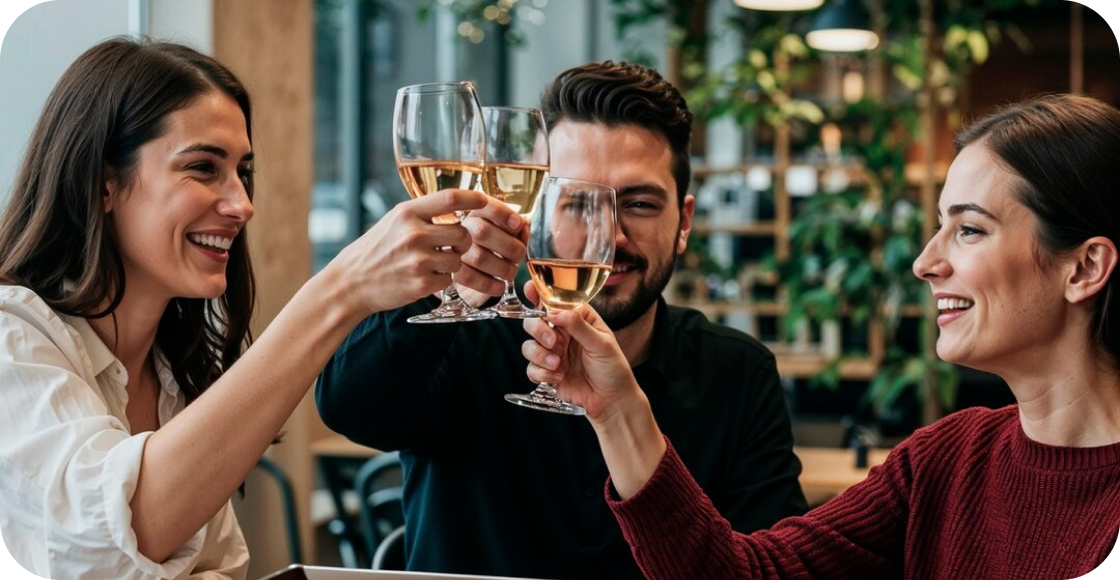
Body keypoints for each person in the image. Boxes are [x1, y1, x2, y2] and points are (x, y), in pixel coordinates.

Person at [522, 92, 1120, 579]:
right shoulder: (943, 461)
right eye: (940, 226)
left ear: (1085, 268)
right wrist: (616, 409)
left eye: (968, 230)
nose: (925, 262)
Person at [0, 37, 489, 579]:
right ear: (102, 184)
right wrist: (338, 293)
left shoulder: (171, 380)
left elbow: (223, 569)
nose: (242, 205)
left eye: (242, 172)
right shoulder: (13, 339)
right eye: (204, 168)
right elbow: (112, 534)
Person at [316, 61, 807, 580]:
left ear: (683, 223)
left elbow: (772, 559)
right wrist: (448, 289)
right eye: (577, 202)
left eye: (638, 204)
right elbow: (350, 408)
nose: (609, 236)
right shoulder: (463, 336)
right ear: (534, 209)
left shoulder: (738, 372)